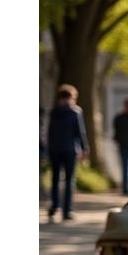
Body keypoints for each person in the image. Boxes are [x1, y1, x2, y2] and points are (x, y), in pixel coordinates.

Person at [45, 84, 88, 222]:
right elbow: (80, 132)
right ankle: (67, 210)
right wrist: (84, 148)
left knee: (55, 179)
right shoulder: (75, 112)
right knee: (69, 180)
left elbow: (49, 132)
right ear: (72, 97)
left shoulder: (53, 112)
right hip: (70, 150)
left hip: (55, 149)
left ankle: (54, 206)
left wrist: (47, 150)